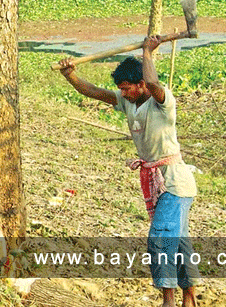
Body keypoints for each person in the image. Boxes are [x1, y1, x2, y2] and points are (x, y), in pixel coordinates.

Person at [58, 36, 199, 307]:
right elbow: (93, 91)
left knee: (160, 241)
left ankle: (169, 301)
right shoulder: (128, 102)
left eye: (126, 88)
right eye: (120, 89)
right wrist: (70, 75)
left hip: (175, 183)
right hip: (158, 183)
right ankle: (189, 300)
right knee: (179, 244)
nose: (122, 93)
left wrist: (147, 51)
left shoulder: (162, 103)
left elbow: (155, 83)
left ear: (141, 84)